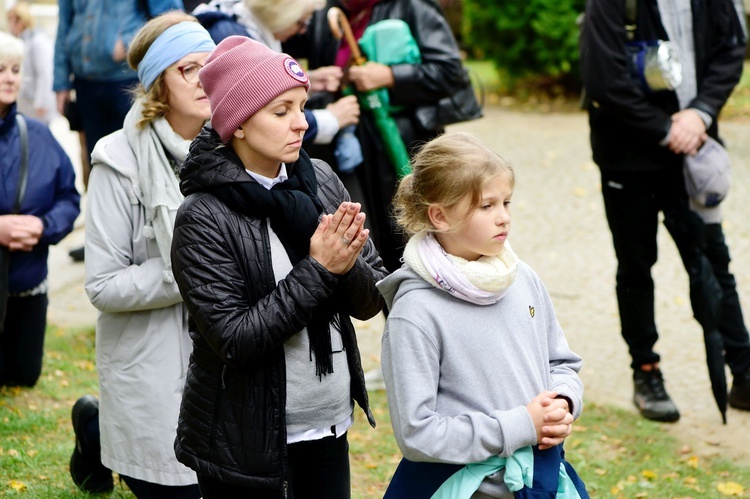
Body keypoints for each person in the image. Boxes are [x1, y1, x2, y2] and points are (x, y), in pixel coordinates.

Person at [170, 36, 388, 498]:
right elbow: (235, 339)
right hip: (243, 445)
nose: (302, 123)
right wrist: (321, 268)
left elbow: (371, 303)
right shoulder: (203, 215)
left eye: (303, 106)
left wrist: (346, 264)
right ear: (240, 124)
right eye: (281, 110)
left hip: (327, 427)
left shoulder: (321, 181)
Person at [377, 132, 587, 497]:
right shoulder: (415, 311)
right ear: (440, 216)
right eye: (486, 206)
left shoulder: (523, 279)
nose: (504, 217)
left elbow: (561, 362)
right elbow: (417, 433)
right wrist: (521, 425)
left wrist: (563, 402)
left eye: (506, 202)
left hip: (538, 480)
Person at [579, 0, 750, 423]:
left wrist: (700, 113)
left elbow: (732, 49)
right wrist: (666, 129)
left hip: (693, 158)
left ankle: (744, 374)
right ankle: (647, 372)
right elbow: (604, 80)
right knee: (636, 268)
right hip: (627, 160)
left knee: (714, 262)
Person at [72, 11, 215, 497]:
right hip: (153, 365)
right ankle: (95, 430)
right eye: (187, 69)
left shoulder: (237, 146)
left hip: (225, 354)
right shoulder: (117, 161)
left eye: (210, 65)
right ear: (158, 84)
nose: (204, 80)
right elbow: (102, 285)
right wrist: (193, 270)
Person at [285, 0, 467, 272]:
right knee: (367, 250)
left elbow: (450, 73)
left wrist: (391, 76)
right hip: (343, 151)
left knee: (411, 242)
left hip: (400, 148)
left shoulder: (413, 6)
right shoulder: (326, 12)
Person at [53, 0, 184, 262]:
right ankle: (100, 240)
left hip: (127, 81)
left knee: (138, 161)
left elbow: (171, 19)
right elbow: (64, 23)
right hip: (86, 82)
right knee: (97, 162)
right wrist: (59, 81)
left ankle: (147, 241)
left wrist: (127, 42)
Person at [0, 32, 80, 387]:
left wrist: (44, 226)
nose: (10, 77)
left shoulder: (39, 135)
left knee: (23, 376)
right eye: (0, 69)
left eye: (15, 69)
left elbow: (69, 198)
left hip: (28, 289)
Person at [191, 0, 361, 151]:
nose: (303, 31)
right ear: (281, 14)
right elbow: (255, 105)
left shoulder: (246, 24)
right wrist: (329, 120)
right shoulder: (231, 36)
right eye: (301, 23)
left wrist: (307, 81)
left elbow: (264, 93)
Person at [6, 2, 57, 125]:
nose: (10, 24)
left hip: (37, 106)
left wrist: (41, 102)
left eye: (12, 20)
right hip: (26, 104)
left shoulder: (37, 41)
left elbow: (44, 74)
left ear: (22, 20)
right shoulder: (21, 41)